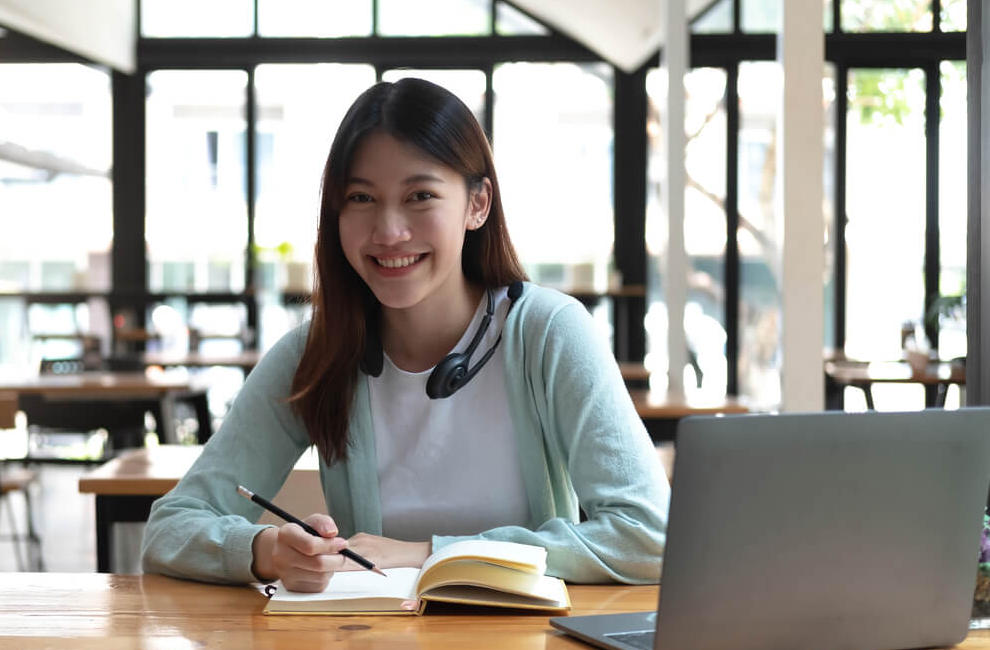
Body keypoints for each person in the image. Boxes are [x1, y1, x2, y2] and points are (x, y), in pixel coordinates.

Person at [142, 78, 669, 591]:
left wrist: (429, 555)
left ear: (477, 204)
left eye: (420, 195)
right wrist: (267, 551)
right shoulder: (316, 352)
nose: (389, 231)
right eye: (361, 198)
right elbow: (171, 527)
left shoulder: (549, 333)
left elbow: (649, 536)